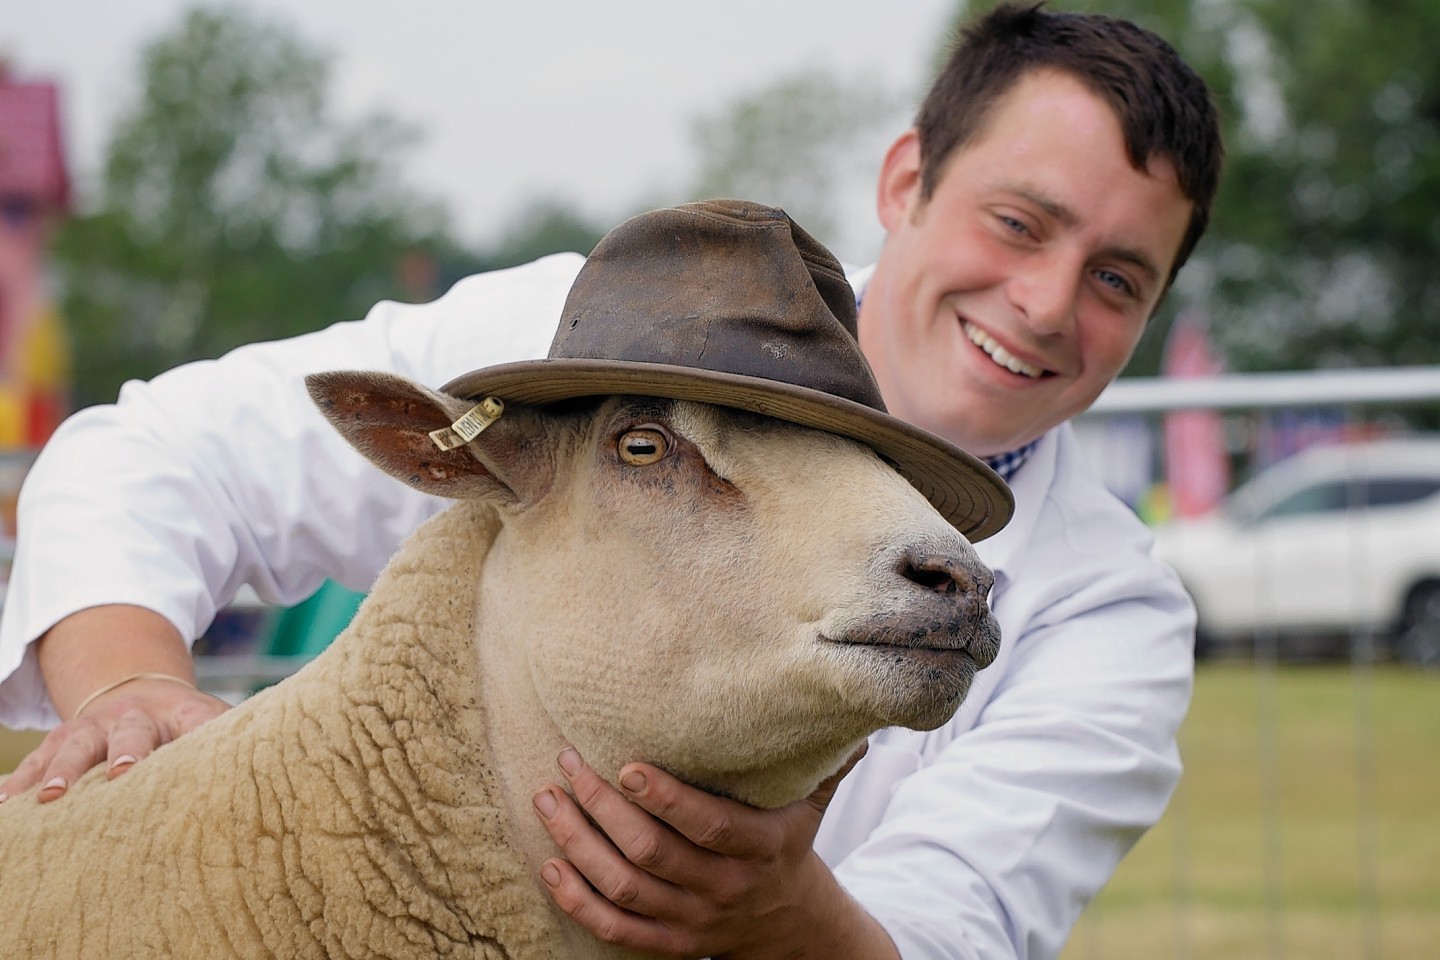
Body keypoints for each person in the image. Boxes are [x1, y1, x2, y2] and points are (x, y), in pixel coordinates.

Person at [0, 4, 1222, 958]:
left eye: (1119, 279)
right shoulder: (593, 355)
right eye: (1019, 222)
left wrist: (779, 914)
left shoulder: (1105, 610)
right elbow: (167, 449)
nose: (1047, 301)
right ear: (907, 179)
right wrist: (128, 685)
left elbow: (958, 925)